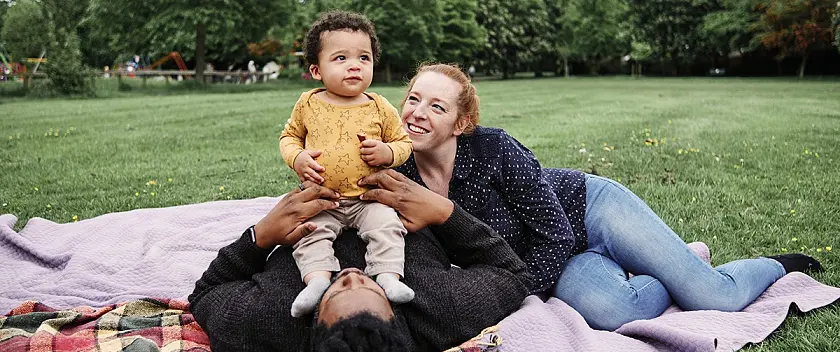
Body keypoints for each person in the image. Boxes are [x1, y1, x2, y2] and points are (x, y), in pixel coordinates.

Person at [393, 63, 823, 331]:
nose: (418, 113)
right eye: (414, 99)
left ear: (460, 123)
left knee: (713, 297)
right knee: (614, 311)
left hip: (589, 211)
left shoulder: (494, 148)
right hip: (554, 259)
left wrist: (519, 290)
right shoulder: (401, 173)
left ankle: (767, 266)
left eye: (437, 106)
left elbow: (556, 234)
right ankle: (664, 271)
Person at [188, 177, 532, 351]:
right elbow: (513, 273)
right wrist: (443, 212)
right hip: (391, 198)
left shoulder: (262, 322)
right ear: (395, 313)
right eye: (372, 287)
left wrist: (260, 235)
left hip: (320, 200)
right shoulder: (445, 309)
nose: (352, 275)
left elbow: (205, 294)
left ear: (313, 321)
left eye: (336, 291)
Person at [278, 11, 414, 317]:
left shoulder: (379, 106)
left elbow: (404, 142)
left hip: (368, 198)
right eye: (340, 58)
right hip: (323, 199)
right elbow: (289, 138)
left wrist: (387, 153)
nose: (355, 65)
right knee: (309, 232)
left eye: (364, 58)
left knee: (388, 226)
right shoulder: (308, 103)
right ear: (316, 69)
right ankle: (315, 280)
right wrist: (297, 157)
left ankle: (388, 277)